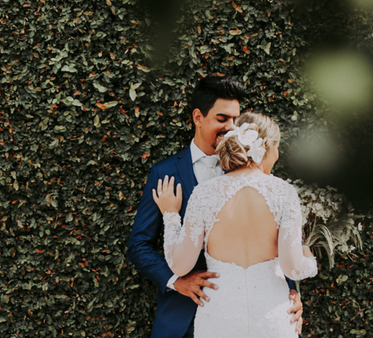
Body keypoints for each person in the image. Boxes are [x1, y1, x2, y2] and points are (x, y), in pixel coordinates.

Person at [127, 75, 303, 338]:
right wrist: (177, 282)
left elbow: (274, 243)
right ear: (198, 117)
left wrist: (289, 292)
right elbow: (139, 244)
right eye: (222, 119)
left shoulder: (258, 174)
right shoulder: (165, 172)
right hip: (181, 318)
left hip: (254, 316)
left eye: (236, 120)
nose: (231, 128)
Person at [152, 112, 318, 338]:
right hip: (272, 319)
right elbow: (293, 268)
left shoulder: (204, 194)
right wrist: (308, 256)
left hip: (219, 318)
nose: (278, 155)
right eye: (278, 147)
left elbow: (179, 266)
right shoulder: (284, 193)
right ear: (267, 147)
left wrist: (171, 215)